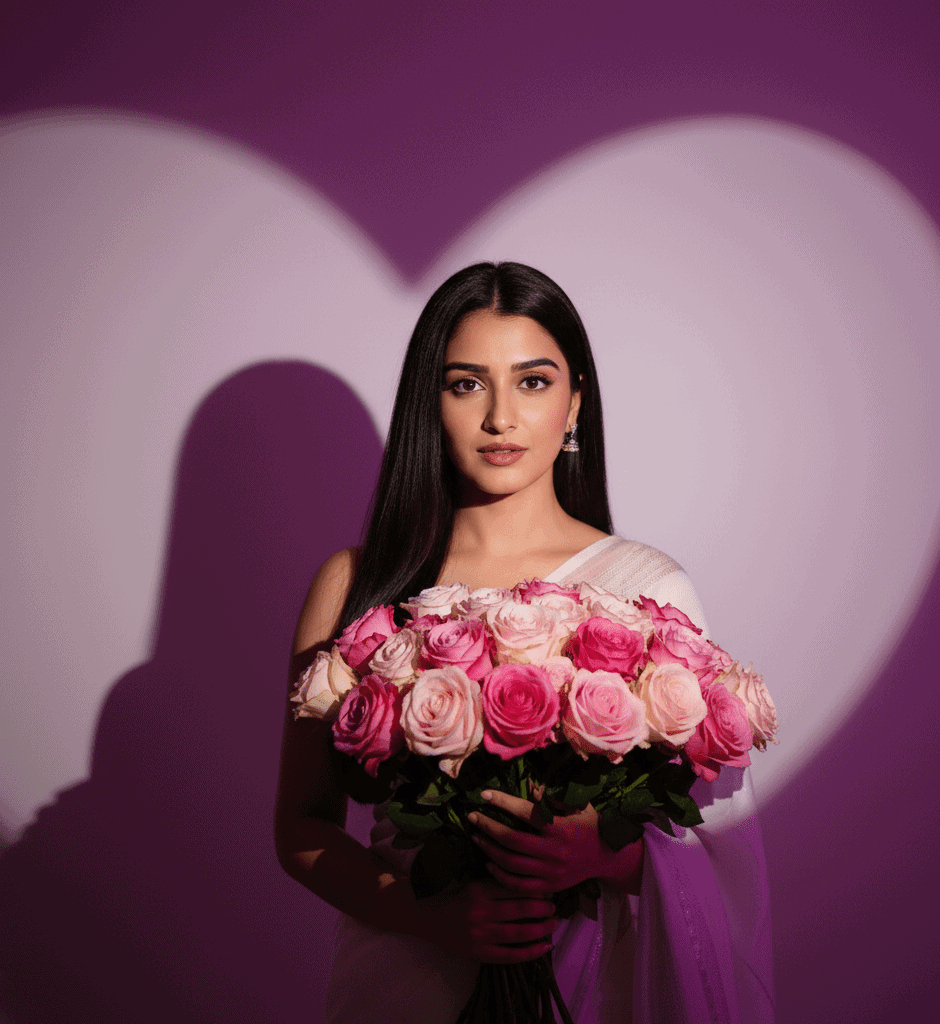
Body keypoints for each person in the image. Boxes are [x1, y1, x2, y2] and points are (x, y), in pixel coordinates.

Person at [274, 261, 774, 1023]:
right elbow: (301, 827)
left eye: (533, 382)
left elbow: (718, 845)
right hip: (400, 984)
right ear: (429, 402)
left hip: (583, 985)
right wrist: (428, 915)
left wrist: (604, 854)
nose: (500, 418)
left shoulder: (646, 590)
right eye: (466, 384)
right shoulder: (354, 584)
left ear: (575, 402)